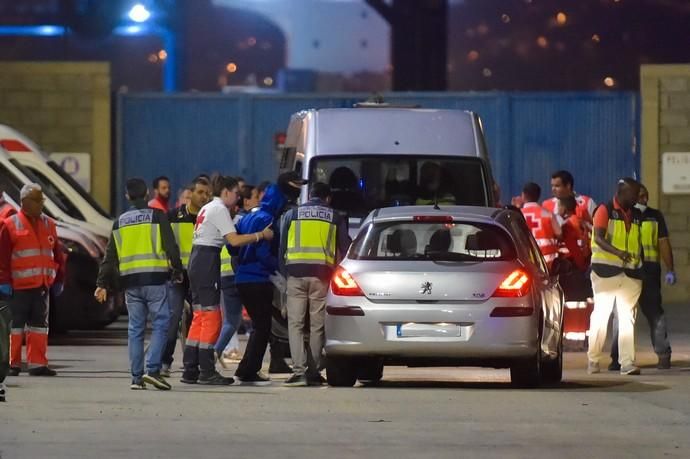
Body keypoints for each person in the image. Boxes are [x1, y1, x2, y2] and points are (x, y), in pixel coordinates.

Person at [181, 175, 273, 386]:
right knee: (212, 316)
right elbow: (234, 240)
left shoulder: (207, 208)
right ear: (225, 192)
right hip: (207, 260)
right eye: (236, 194)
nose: (238, 199)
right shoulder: (220, 208)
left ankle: (190, 368)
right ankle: (206, 370)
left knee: (200, 316)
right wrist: (261, 235)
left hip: (197, 260)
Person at [95, 178, 183, 390]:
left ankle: (136, 378)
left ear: (127, 196)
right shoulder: (157, 216)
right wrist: (177, 269)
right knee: (161, 324)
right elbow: (171, 247)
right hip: (155, 280)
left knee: (135, 330)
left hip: (130, 284)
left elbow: (110, 258)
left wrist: (101, 284)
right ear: (147, 195)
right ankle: (152, 370)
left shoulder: (120, 222)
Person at [280, 182, 351, 386]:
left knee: (295, 324)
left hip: (295, 274)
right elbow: (344, 248)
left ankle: (299, 371)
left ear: (309, 195)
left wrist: (285, 273)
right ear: (327, 198)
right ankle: (313, 371)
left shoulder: (292, 214)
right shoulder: (335, 217)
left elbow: (282, 246)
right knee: (317, 325)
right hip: (321, 276)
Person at [0, 184, 66, 377]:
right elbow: (2, 257)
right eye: (37, 200)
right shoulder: (10, 225)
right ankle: (12, 364)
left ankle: (37, 364)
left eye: (42, 200)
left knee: (39, 326)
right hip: (17, 287)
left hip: (41, 286)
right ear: (25, 202)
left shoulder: (49, 224)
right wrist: (3, 281)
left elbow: (57, 255)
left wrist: (59, 278)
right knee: (15, 326)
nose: (41, 204)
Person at [609, 184, 676, 370]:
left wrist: (670, 269)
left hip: (649, 273)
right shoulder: (620, 216)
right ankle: (617, 358)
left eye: (646, 196)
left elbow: (664, 243)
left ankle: (663, 355)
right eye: (639, 197)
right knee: (621, 316)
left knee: (655, 314)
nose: (644, 201)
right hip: (626, 272)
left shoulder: (655, 216)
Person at [233, 183, 291, 385]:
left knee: (259, 326)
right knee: (263, 327)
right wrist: (281, 267)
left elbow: (232, 248)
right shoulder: (268, 220)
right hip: (258, 279)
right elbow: (263, 254)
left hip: (242, 278)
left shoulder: (248, 216)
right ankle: (249, 370)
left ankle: (245, 367)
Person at [587, 178, 643, 376]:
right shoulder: (604, 209)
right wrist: (618, 253)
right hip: (606, 273)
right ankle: (593, 360)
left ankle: (627, 363)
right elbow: (599, 237)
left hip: (631, 274)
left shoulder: (636, 214)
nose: (637, 198)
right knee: (601, 316)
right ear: (622, 192)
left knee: (627, 318)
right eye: (634, 194)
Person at [161, 177, 211, 377]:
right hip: (177, 276)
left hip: (199, 277)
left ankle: (193, 363)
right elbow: (165, 245)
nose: (204, 197)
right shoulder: (173, 215)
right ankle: (165, 362)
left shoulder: (209, 217)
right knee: (173, 319)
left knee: (198, 321)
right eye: (200, 192)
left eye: (207, 193)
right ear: (191, 193)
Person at [519, 182, 561, 267]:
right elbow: (559, 233)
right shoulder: (548, 214)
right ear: (538, 196)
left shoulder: (517, 215)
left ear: (523, 195)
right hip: (547, 260)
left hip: (525, 259)